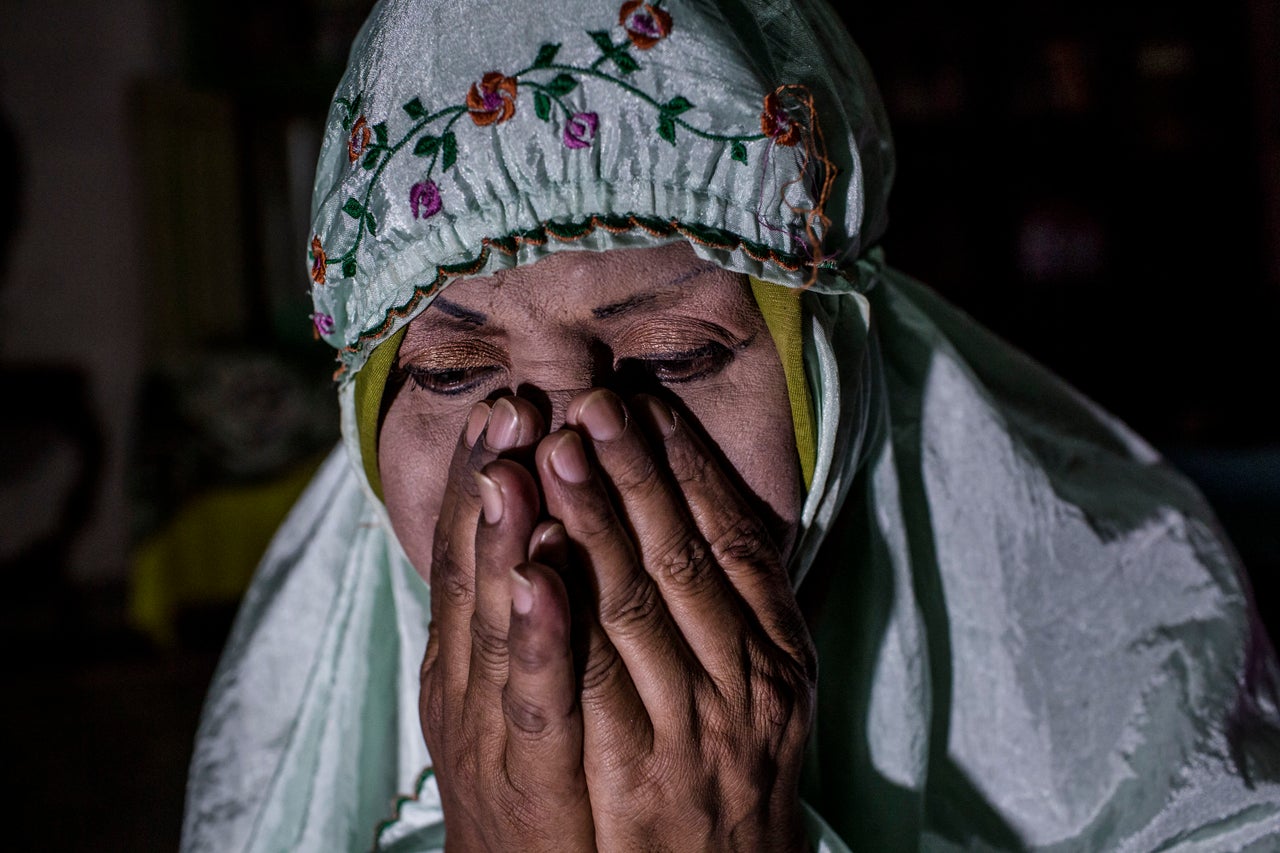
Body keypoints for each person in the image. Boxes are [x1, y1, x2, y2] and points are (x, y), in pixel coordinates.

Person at [181, 0, 1280, 849]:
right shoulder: (289, 753)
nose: (561, 469)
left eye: (673, 358)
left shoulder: (1146, 677)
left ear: (834, 379)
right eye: (451, 370)